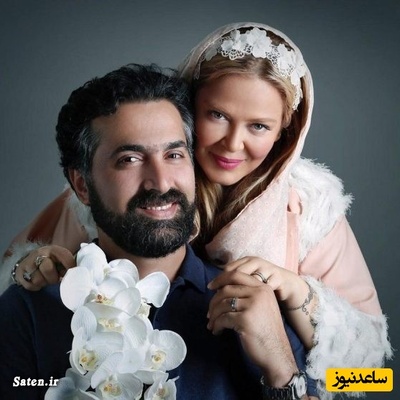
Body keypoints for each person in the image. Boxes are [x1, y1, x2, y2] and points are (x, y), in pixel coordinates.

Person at [0, 22, 392, 398]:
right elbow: (22, 295)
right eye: (217, 115)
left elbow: (374, 380)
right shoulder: (105, 188)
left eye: (259, 126)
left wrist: (298, 303)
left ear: (284, 132)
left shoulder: (309, 208)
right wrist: (30, 267)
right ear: (190, 105)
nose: (232, 144)